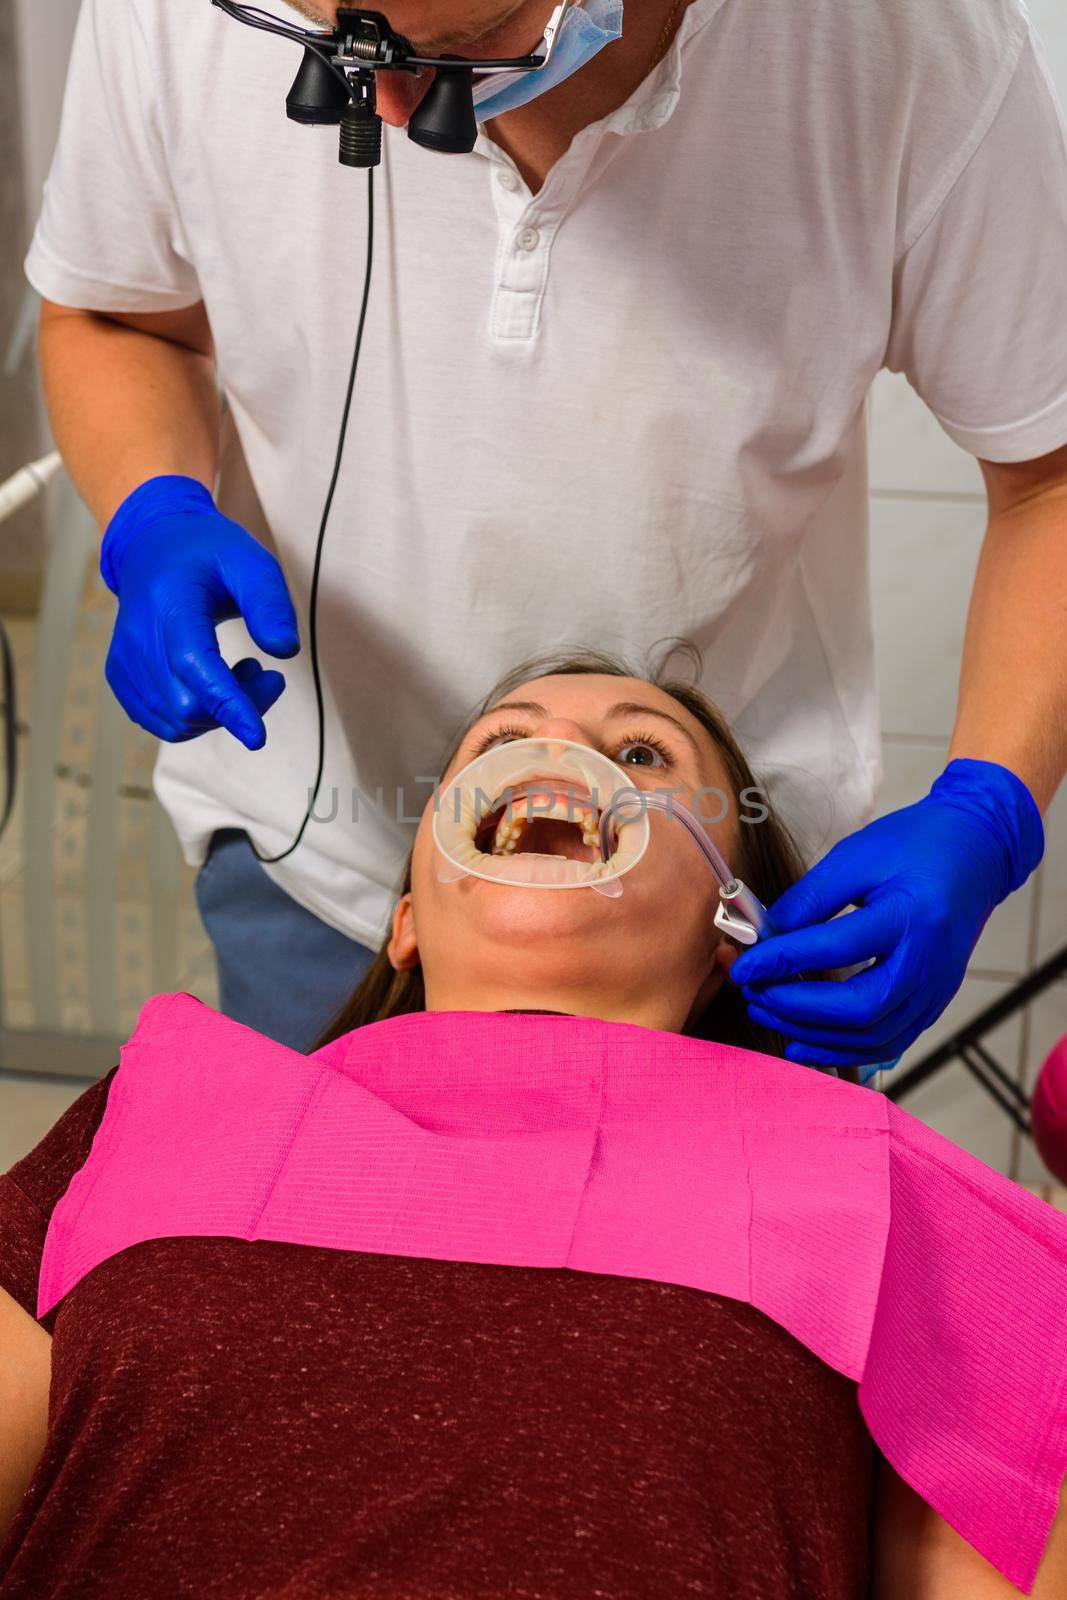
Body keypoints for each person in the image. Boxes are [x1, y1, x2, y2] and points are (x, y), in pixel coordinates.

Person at [27, 0, 1067, 1060]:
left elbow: (1051, 481)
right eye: (329, 39)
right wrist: (152, 512)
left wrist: (986, 810)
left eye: (463, 47)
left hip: (768, 936)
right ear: (408, 931)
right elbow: (115, 314)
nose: (382, 108)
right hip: (313, 857)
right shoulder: (170, 16)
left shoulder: (905, 51)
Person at [3, 654, 1066, 1597]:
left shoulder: (870, 1180)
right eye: (502, 741)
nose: (556, 750)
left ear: (733, 931)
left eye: (641, 752)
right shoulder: (164, 1101)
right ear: (406, 918)